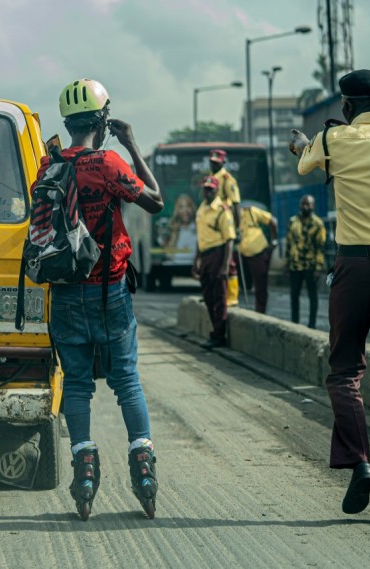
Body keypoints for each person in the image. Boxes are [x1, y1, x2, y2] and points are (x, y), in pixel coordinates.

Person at [40, 78, 164, 519]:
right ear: (104, 119)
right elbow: (155, 201)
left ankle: (85, 470)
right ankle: (143, 469)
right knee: (126, 380)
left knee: (75, 385)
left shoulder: (49, 165)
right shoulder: (109, 163)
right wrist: (131, 143)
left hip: (66, 293)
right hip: (110, 291)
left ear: (68, 123)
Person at [290, 68, 370, 514]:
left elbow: (306, 162)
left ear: (346, 106)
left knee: (344, 371)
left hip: (355, 264)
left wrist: (303, 143)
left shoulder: (333, 141)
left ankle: (360, 462)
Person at [192, 175, 235, 350]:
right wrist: (196, 260)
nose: (207, 192)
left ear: (217, 190)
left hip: (218, 254)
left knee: (219, 297)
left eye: (211, 189)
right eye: (205, 188)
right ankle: (215, 331)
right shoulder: (201, 209)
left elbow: (229, 240)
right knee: (208, 296)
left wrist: (225, 266)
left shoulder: (222, 210)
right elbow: (200, 236)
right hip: (205, 255)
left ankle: (218, 335)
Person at [284, 195, 326, 329]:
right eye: (303, 204)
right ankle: (294, 323)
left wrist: (318, 267)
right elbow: (289, 244)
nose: (305, 207)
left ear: (313, 206)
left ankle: (311, 324)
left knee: (312, 296)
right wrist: (287, 263)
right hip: (295, 265)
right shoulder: (292, 221)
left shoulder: (318, 224)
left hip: (310, 265)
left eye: (308, 204)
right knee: (294, 295)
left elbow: (320, 247)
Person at [209, 149, 241, 306]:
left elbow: (236, 204)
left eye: (216, 162)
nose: (213, 164)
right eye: (212, 161)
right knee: (216, 260)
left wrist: (238, 227)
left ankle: (232, 296)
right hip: (214, 223)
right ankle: (218, 295)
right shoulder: (212, 178)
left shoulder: (227, 179)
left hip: (226, 221)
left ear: (223, 162)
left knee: (230, 263)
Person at [237, 204, 278, 313]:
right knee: (244, 285)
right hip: (242, 254)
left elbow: (272, 221)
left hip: (258, 253)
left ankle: (260, 313)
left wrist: (274, 241)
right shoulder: (228, 217)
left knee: (260, 287)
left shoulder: (250, 211)